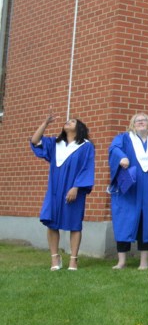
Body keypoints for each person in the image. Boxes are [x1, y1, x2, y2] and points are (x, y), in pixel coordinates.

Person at [108, 113, 148, 270]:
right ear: (132, 124)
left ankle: (144, 262)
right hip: (129, 189)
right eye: (137, 121)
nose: (141, 122)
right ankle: (121, 261)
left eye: (144, 120)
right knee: (124, 221)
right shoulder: (124, 139)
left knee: (147, 222)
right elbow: (114, 149)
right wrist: (121, 157)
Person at [30, 112, 95, 271]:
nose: (68, 122)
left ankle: (73, 260)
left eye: (72, 121)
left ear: (79, 128)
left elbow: (87, 168)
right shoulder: (55, 144)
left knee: (74, 224)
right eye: (67, 121)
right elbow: (35, 141)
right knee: (52, 223)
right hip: (54, 189)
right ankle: (55, 258)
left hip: (74, 189)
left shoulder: (86, 146)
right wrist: (45, 124)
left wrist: (76, 187)